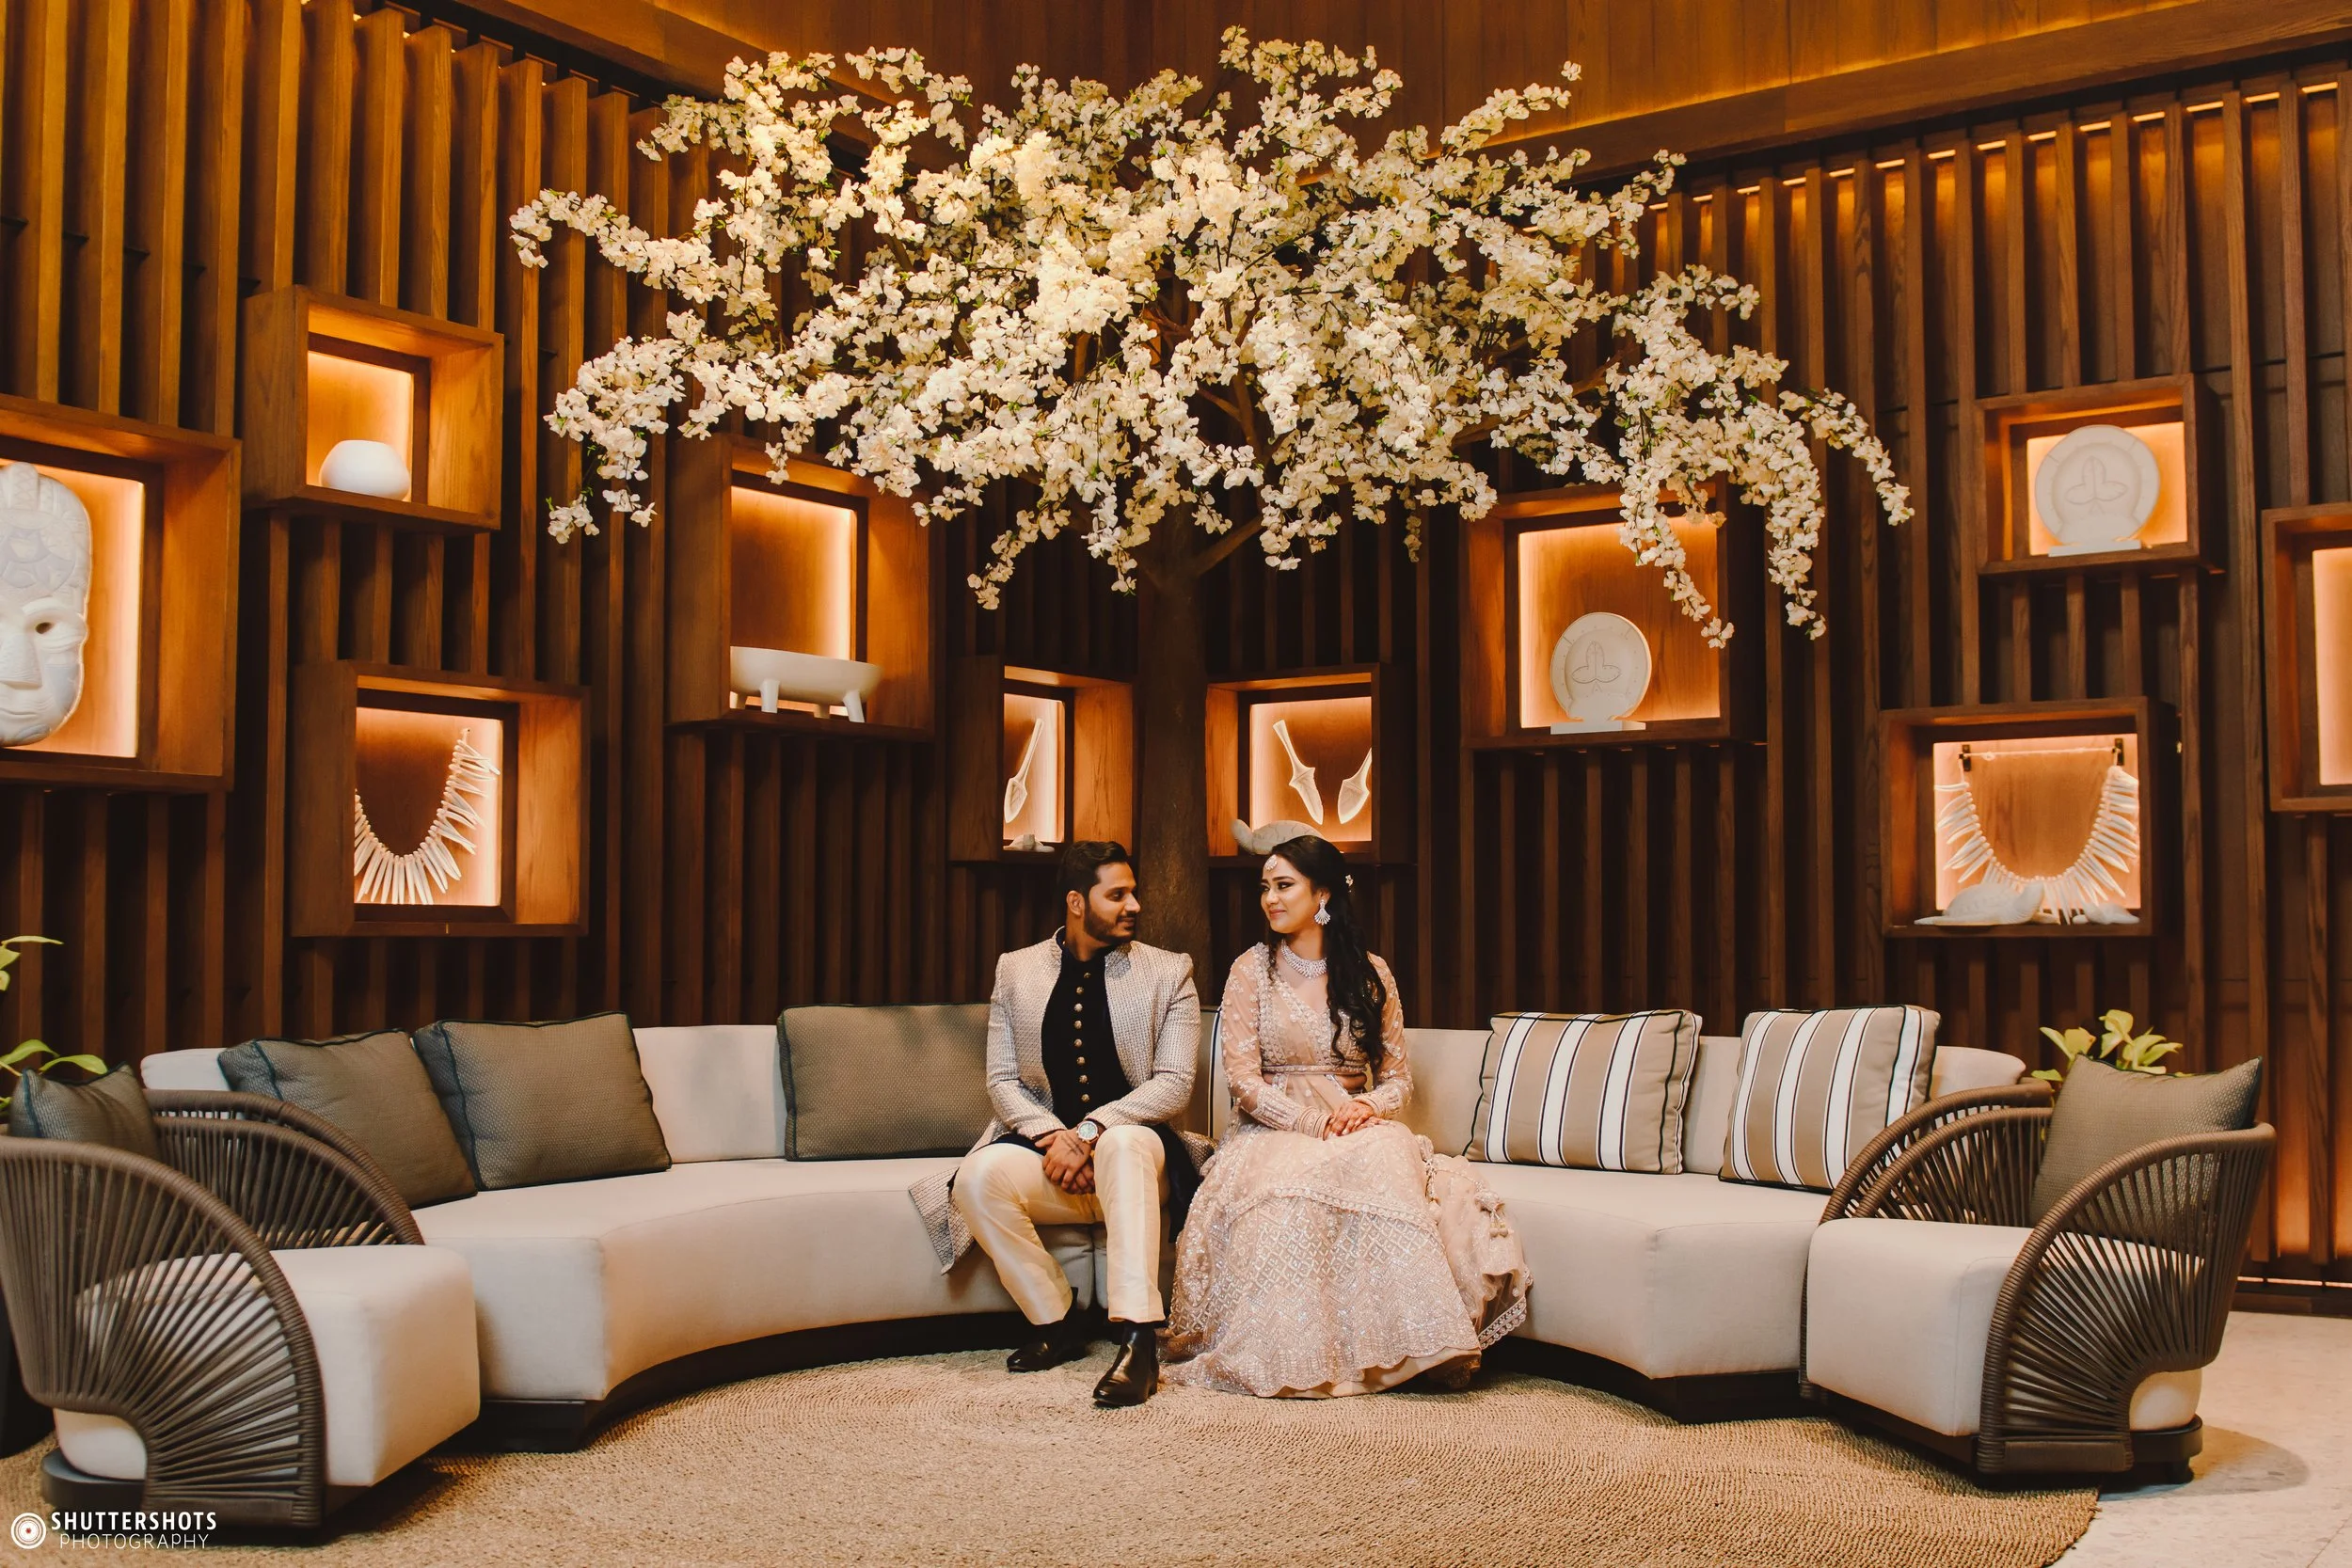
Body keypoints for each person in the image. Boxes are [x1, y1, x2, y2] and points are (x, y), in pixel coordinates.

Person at [1164, 835, 1530, 1398]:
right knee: (1287, 1187)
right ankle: (1293, 1356)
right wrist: (1309, 1123)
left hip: (1354, 1125)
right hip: (1273, 1127)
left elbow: (1398, 1080)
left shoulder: (1370, 972)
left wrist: (1367, 1105)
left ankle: (1410, 1348)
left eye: (1284, 886)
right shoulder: (1251, 970)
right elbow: (1242, 1081)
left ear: (1323, 894)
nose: (1270, 899)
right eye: (1265, 887)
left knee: (1387, 1161)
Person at [909, 841, 1208, 1407]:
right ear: (1076, 902)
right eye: (1116, 895)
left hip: (1141, 1159)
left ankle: (1139, 1340)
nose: (1134, 905)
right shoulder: (1016, 970)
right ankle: (1057, 1320)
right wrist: (1053, 1139)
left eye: (1133, 893)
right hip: (1050, 1159)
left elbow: (1173, 1084)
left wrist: (1091, 1133)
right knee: (976, 1179)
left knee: (1123, 1144)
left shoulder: (1170, 972)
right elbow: (1002, 1080)